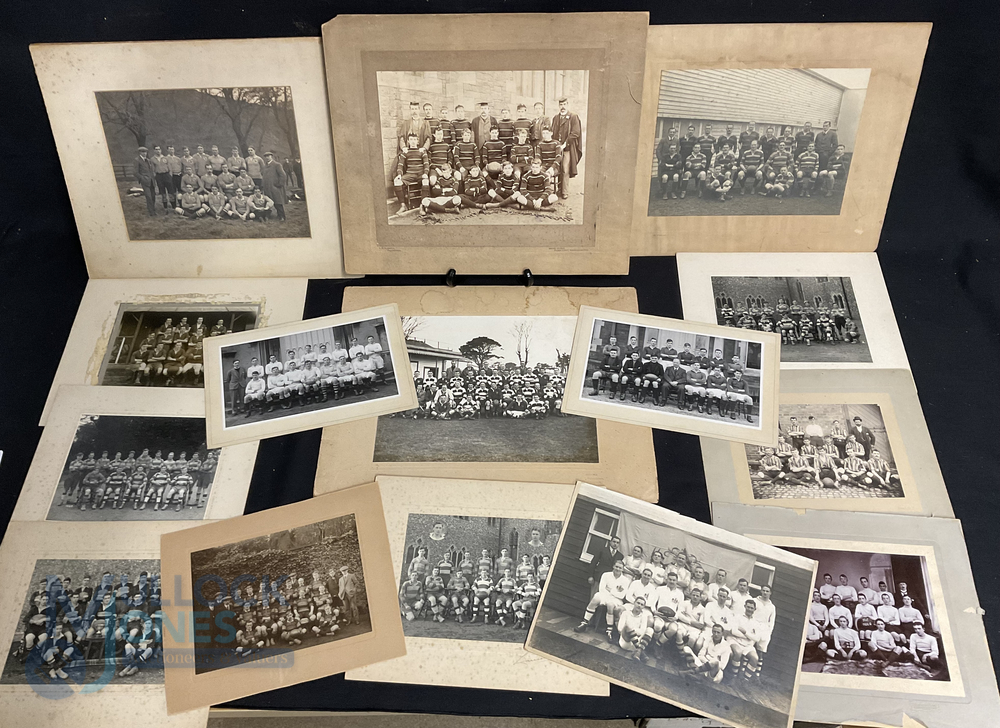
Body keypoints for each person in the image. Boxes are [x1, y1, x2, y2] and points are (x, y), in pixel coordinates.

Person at [574, 559, 631, 641]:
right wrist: (613, 592)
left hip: (616, 599)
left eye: (620, 568)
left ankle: (609, 632)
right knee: (596, 597)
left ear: (623, 569)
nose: (618, 569)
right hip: (604, 595)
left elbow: (621, 595)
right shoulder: (606, 575)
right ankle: (584, 623)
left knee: (610, 605)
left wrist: (610, 590)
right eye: (616, 567)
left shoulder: (625, 580)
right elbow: (601, 588)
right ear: (613, 566)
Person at [551, 97, 582, 199]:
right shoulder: (556, 118)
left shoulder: (573, 117)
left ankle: (564, 191)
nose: (562, 107)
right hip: (556, 148)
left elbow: (575, 133)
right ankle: (558, 189)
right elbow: (552, 132)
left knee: (565, 169)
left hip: (567, 148)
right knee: (556, 167)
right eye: (561, 105)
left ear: (568, 105)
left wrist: (565, 144)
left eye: (564, 104)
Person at [261, 151, 288, 222]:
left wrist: (279, 184)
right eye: (266, 156)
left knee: (278, 202)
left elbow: (283, 175)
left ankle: (282, 216)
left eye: (268, 156)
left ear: (271, 156)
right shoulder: (265, 166)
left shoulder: (277, 165)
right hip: (267, 187)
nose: (267, 158)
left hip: (275, 187)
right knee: (268, 202)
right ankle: (267, 216)